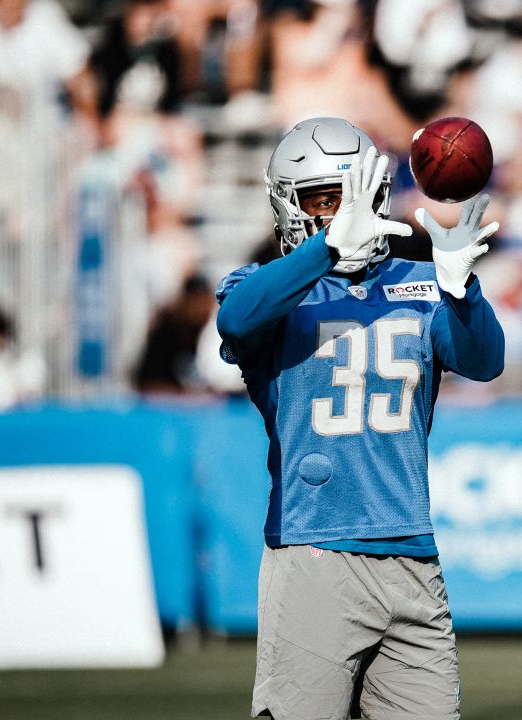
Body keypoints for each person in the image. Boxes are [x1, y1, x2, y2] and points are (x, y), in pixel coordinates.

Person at [215, 117, 504, 719]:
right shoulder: (265, 291)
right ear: (290, 207)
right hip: (314, 550)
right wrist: (324, 252)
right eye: (325, 199)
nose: (344, 212)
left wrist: (461, 288)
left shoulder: (421, 285)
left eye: (356, 196)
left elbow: (485, 361)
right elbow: (237, 319)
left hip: (412, 555)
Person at [133, 274, 216, 394]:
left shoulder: (195, 329)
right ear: (186, 301)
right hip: (157, 403)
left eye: (207, 302)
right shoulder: (167, 330)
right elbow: (147, 383)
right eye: (199, 303)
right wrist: (185, 393)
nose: (204, 309)